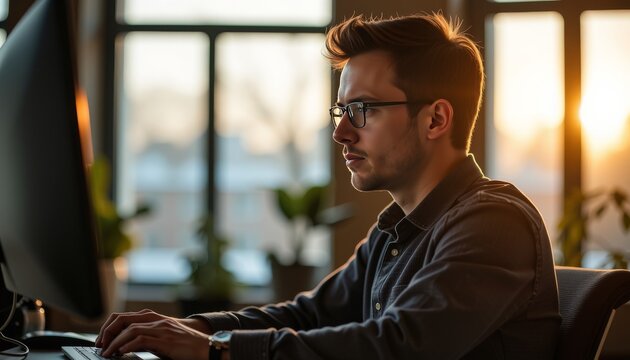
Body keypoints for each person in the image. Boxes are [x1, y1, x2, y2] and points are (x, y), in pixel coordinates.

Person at [96, 12, 560, 360]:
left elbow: (398, 346)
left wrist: (217, 352)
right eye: (342, 111)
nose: (341, 133)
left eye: (363, 110)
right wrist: (191, 326)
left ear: (435, 118)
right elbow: (310, 315)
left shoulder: (492, 222)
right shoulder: (396, 232)